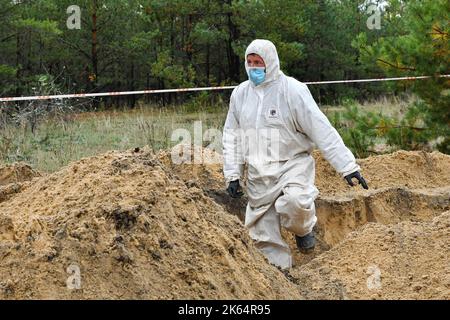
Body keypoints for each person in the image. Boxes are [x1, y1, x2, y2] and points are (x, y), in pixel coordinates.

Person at [222, 39, 368, 270]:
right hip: (258, 173)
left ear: (270, 62)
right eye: (249, 62)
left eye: (258, 62)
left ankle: (303, 229)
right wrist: (232, 174)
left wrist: (347, 166)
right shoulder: (240, 94)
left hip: (293, 165)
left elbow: (320, 128)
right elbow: (232, 135)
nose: (253, 67)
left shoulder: (293, 90)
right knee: (263, 238)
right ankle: (281, 279)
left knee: (296, 203)